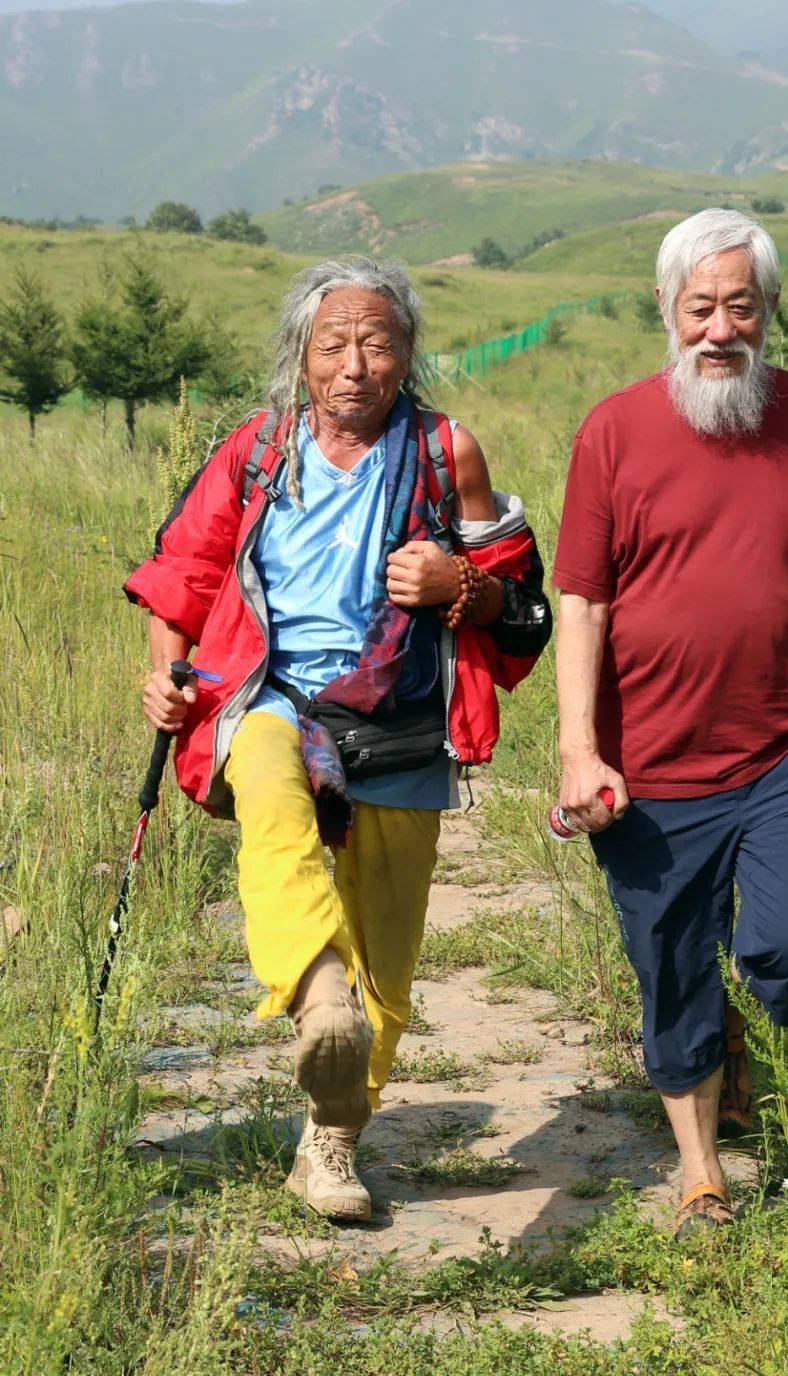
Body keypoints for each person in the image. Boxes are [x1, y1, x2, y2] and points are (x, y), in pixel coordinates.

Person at [125, 257, 551, 1221]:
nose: (354, 364)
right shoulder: (258, 451)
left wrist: (460, 587)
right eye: (333, 345)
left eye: (376, 342)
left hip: (398, 725)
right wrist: (167, 672)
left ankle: (330, 1138)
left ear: (406, 355)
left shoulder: (450, 454)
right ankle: (318, 988)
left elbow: (522, 616)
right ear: (301, 358)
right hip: (275, 699)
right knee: (273, 807)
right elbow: (183, 573)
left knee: (387, 970)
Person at [553, 209, 788, 1238]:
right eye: (700, 307)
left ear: (769, 314)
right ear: (668, 312)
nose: (720, 329)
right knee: (670, 965)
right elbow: (582, 601)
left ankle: (740, 1026)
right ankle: (702, 1171)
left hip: (784, 741)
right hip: (649, 767)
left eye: (740, 307)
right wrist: (581, 747)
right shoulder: (615, 430)